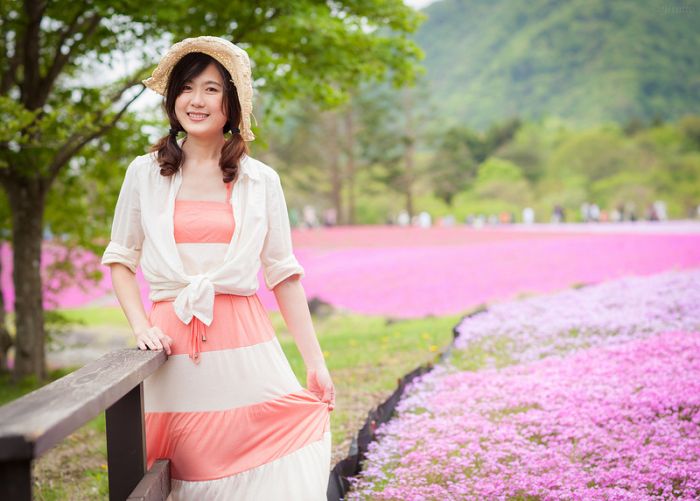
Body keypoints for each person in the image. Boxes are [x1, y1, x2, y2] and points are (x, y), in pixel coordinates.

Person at [101, 36, 334, 500]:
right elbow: (121, 260)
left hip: (246, 348)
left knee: (273, 456)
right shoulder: (144, 173)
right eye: (186, 88)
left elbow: (283, 274)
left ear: (233, 102)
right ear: (172, 101)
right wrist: (140, 326)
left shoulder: (260, 179)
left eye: (210, 89)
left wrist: (316, 363)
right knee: (184, 472)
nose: (196, 100)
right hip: (172, 350)